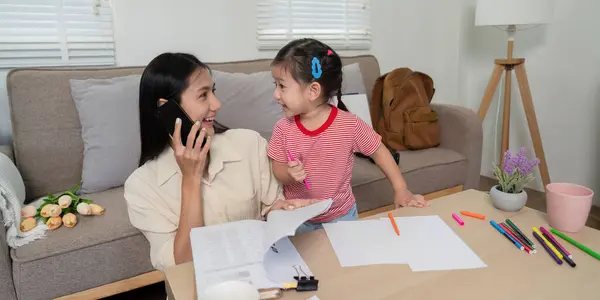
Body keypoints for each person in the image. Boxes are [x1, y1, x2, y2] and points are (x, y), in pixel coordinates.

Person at [124, 52, 308, 272]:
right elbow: (182, 265)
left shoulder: (249, 144)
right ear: (167, 108)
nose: (217, 104)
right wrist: (191, 179)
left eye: (213, 91)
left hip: (261, 274)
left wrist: (281, 212)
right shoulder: (141, 187)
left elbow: (271, 208)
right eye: (203, 95)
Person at [267, 38, 430, 235]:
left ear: (313, 91)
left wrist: (401, 189)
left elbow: (380, 152)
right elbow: (277, 170)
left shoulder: (349, 125)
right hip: (298, 219)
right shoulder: (282, 129)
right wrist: (288, 173)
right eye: (275, 85)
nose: (276, 94)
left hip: (342, 217)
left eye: (282, 86)